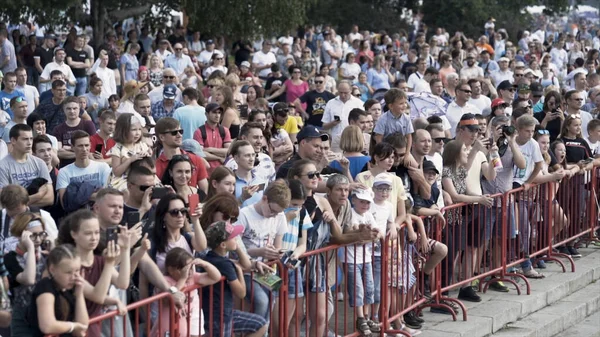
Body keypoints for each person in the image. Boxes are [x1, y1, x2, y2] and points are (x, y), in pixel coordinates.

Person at [200, 221, 269, 337]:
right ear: (223, 245)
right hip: (220, 316)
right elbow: (241, 293)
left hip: (220, 312)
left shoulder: (211, 257)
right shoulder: (224, 264)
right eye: (233, 237)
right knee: (261, 325)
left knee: (261, 324)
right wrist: (239, 272)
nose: (236, 239)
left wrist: (237, 248)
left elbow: (246, 265)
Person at [236, 181, 290, 322]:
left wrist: (277, 252)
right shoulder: (244, 214)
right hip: (247, 270)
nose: (274, 215)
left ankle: (263, 331)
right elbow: (235, 249)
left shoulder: (279, 216)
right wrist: (259, 252)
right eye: (272, 211)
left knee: (275, 294)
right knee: (261, 301)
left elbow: (278, 246)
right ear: (264, 199)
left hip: (267, 271)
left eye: (278, 213)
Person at [16, 244, 89, 337]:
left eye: (77, 270)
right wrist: (72, 326)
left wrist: (79, 295)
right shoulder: (45, 286)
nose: (74, 276)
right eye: (68, 272)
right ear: (52, 270)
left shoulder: (72, 288)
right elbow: (47, 326)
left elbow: (82, 328)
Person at [151, 247, 221, 337]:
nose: (189, 272)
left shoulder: (192, 278)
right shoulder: (165, 281)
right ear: (171, 270)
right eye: (185, 269)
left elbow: (216, 277)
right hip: (169, 323)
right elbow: (168, 298)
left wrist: (205, 264)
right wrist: (183, 279)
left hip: (187, 320)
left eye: (191, 268)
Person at [0, 124, 54, 207]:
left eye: (31, 139)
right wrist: (37, 196)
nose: (29, 143)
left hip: (38, 215)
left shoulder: (40, 163)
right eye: (25, 139)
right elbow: (6, 202)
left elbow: (50, 199)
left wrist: (20, 204)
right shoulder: (3, 166)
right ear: (13, 140)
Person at [56, 130, 111, 207]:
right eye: (80, 146)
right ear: (72, 147)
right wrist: (94, 195)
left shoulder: (103, 167)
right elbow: (65, 203)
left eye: (86, 145)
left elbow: (107, 197)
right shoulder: (64, 172)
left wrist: (76, 196)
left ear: (90, 145)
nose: (84, 149)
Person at [156, 117, 209, 193]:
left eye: (181, 131)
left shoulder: (196, 159)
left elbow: (204, 191)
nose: (179, 135)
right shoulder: (156, 165)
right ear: (162, 137)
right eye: (174, 132)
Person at [107, 113, 152, 191]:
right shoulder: (117, 149)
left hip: (142, 177)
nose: (137, 133)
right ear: (123, 130)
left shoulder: (142, 145)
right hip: (124, 180)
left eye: (139, 129)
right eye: (134, 130)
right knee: (127, 191)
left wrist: (148, 155)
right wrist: (130, 160)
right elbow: (117, 172)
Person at [51, 97, 97, 167]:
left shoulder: (88, 124)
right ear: (64, 109)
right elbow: (59, 153)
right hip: (66, 166)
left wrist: (68, 149)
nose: (72, 111)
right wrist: (82, 153)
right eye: (68, 108)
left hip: (87, 165)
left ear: (79, 109)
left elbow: (95, 147)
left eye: (75, 108)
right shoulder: (58, 129)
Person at [322, 81, 365, 152]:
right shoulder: (331, 103)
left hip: (354, 139)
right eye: (340, 92)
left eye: (345, 93)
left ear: (351, 90)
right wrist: (332, 123)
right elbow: (324, 126)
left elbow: (363, 122)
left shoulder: (359, 103)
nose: (343, 95)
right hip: (337, 140)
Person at [373, 89, 414, 160]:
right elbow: (379, 138)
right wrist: (383, 153)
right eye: (401, 103)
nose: (404, 105)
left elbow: (409, 137)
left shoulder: (406, 118)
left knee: (413, 164)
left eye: (405, 103)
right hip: (388, 151)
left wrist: (407, 153)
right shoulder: (383, 119)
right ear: (391, 106)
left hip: (402, 151)